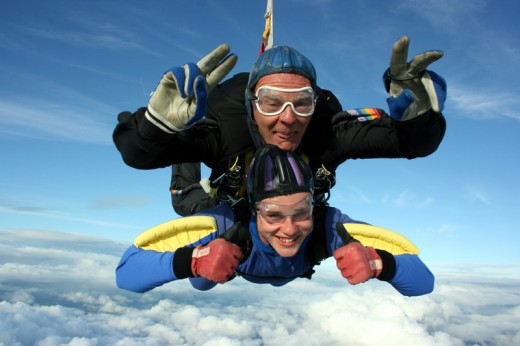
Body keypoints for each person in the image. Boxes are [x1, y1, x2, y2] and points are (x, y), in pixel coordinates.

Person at [113, 36, 447, 215]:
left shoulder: (327, 132)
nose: (288, 118)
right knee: (193, 212)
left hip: (288, 209)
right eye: (271, 102)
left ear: (314, 104)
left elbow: (413, 144)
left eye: (301, 102)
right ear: (251, 106)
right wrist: (156, 125)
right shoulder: (223, 130)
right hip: (224, 201)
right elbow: (139, 155)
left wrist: (419, 119)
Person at [116, 145, 434, 296]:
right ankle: (190, 138)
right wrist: (193, 262)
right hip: (228, 237)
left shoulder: (330, 225)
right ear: (255, 210)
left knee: (206, 277)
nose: (290, 229)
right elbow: (126, 273)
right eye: (274, 215)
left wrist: (380, 264)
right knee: (201, 278)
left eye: (301, 212)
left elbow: (423, 281)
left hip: (271, 267)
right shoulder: (227, 226)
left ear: (314, 206)